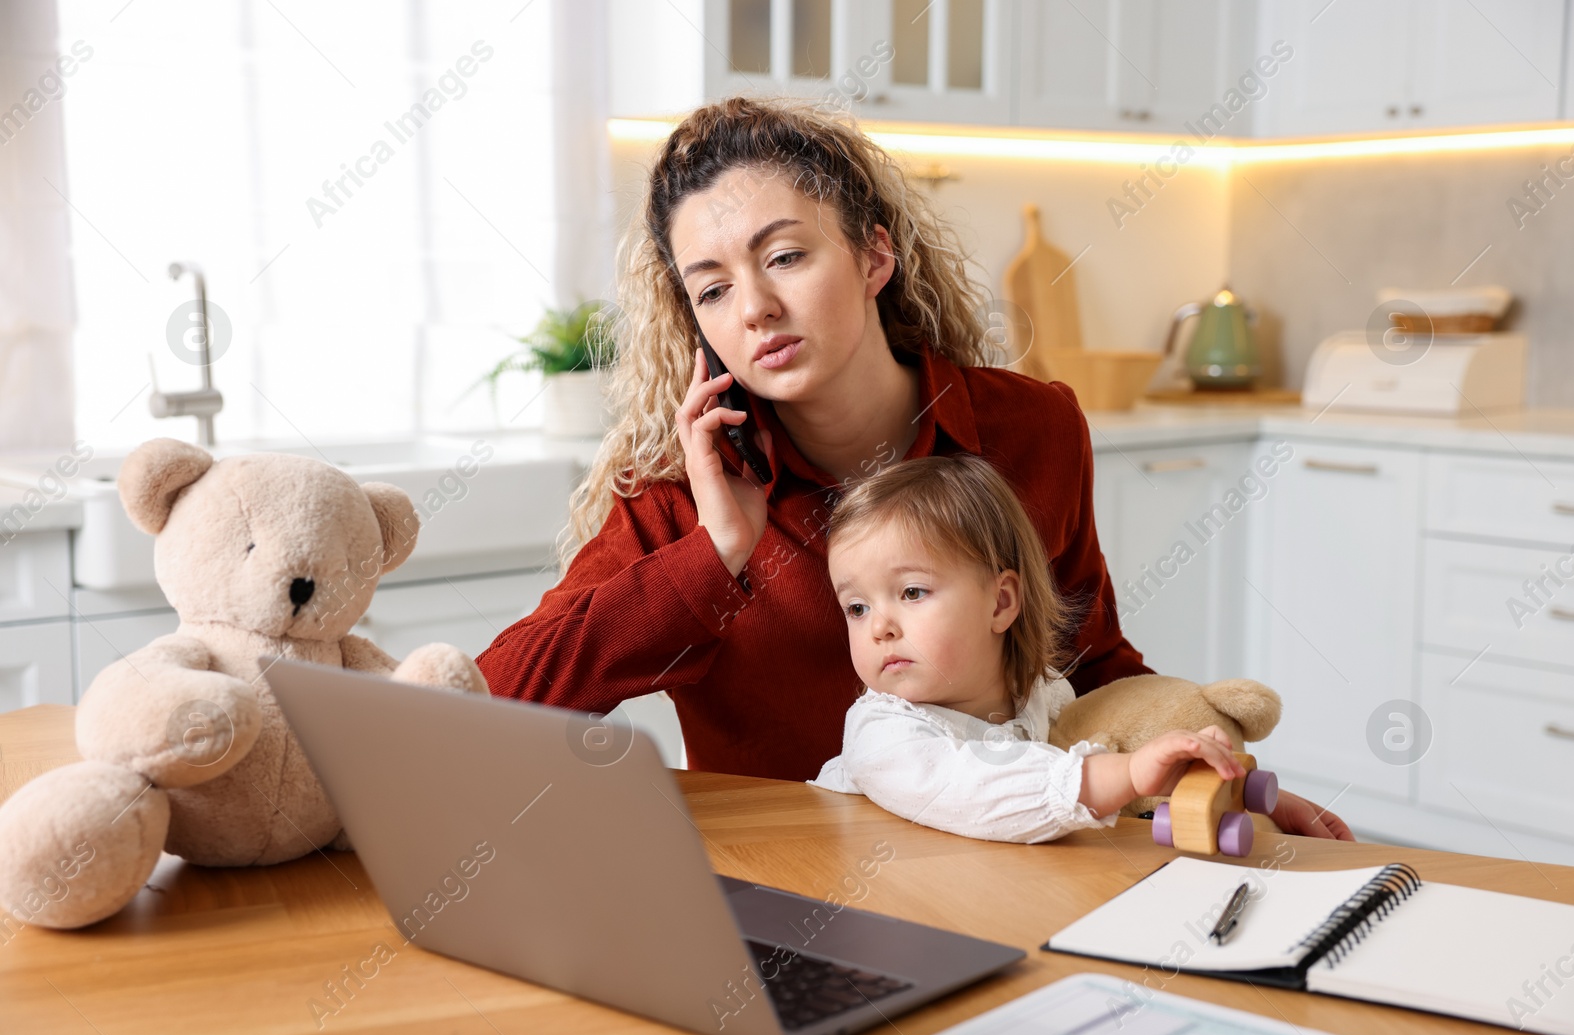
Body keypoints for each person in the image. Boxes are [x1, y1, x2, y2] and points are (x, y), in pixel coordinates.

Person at [473, 96, 1349, 841]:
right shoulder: (684, 492)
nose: (756, 308)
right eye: (712, 289)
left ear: (874, 258)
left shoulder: (1028, 429)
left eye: (784, 256)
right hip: (785, 896)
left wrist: (1224, 782)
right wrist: (717, 552)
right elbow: (495, 705)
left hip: (1013, 864)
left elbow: (1084, 664)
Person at [809, 455, 1350, 844]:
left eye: (911, 592)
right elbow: (974, 791)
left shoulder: (1046, 696)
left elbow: (1123, 748)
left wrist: (1237, 790)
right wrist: (1129, 774)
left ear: (1001, 602)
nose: (878, 626)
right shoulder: (882, 733)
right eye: (856, 608)